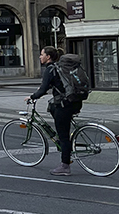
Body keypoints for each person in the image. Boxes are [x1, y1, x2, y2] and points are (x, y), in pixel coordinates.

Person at [29, 45, 87, 176]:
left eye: (42, 54)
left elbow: (43, 90)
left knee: (63, 136)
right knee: (53, 110)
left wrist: (32, 97)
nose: (40, 56)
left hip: (64, 105)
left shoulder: (50, 70)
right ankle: (65, 147)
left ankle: (65, 166)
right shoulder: (60, 69)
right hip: (74, 102)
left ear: (48, 57)